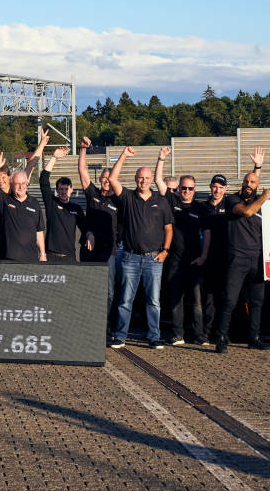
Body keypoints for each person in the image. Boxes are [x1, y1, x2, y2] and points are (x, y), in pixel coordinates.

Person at [106, 146, 173, 349]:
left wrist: (165, 251)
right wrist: (124, 156)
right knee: (126, 300)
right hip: (130, 258)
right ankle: (120, 336)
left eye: (146, 178)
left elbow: (169, 229)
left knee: (153, 301)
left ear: (151, 179)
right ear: (136, 179)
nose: (142, 181)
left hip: (154, 259)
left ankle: (153, 336)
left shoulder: (160, 201)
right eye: (139, 178)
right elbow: (113, 179)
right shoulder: (127, 198)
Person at [213, 147, 270, 354]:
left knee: (257, 301)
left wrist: (257, 167)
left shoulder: (262, 205)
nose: (249, 185)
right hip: (237, 258)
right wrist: (264, 196)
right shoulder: (232, 200)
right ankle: (221, 338)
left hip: (257, 259)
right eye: (246, 182)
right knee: (229, 300)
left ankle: (254, 337)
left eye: (253, 182)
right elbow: (247, 212)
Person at [154, 148, 205, 346]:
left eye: (190, 188)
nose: (186, 191)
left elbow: (208, 234)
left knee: (196, 301)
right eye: (183, 188)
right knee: (175, 300)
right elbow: (158, 181)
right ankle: (177, 335)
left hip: (194, 261)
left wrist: (204, 256)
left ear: (194, 189)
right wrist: (161, 159)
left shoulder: (200, 208)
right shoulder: (172, 201)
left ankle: (199, 335)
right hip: (174, 260)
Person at [77, 136, 122, 334]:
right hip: (89, 250)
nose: (105, 181)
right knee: (88, 289)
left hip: (109, 252)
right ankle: (88, 324)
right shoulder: (92, 194)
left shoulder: (119, 201)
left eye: (109, 178)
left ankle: (107, 326)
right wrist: (83, 150)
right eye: (103, 178)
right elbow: (82, 171)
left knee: (109, 292)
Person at [0, 150, 47, 262]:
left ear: (27, 184)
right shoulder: (5, 200)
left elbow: (39, 231)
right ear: (12, 184)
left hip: (30, 258)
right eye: (17, 184)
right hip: (7, 258)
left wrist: (42, 253)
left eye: (23, 183)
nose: (21, 187)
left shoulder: (34, 203)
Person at [195, 174, 230, 346]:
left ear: (226, 189)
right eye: (215, 186)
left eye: (221, 187)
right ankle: (207, 333)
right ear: (210, 187)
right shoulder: (203, 207)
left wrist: (257, 167)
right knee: (208, 299)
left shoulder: (230, 205)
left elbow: (250, 188)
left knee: (225, 298)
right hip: (208, 259)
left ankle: (222, 333)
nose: (217, 190)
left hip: (227, 258)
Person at [40, 141, 87, 263]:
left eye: (66, 189)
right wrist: (54, 158)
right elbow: (43, 181)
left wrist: (90, 235)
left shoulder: (76, 209)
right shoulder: (52, 204)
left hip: (69, 257)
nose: (63, 192)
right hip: (50, 256)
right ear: (56, 190)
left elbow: (85, 228)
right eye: (60, 189)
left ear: (71, 190)